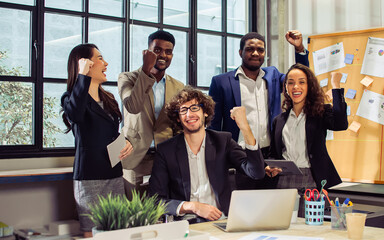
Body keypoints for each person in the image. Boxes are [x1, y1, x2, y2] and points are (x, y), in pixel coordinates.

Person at [209, 30, 309, 190]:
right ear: (241, 52)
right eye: (250, 49)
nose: (255, 53)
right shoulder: (221, 82)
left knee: (269, 208)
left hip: (270, 158)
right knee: (240, 208)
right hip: (238, 157)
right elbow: (213, 126)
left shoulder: (273, 75)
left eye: (260, 50)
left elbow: (300, 78)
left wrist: (299, 49)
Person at [148, 86, 265, 222]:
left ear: (205, 112)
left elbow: (257, 173)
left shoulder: (223, 141)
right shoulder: (166, 150)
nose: (189, 114)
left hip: (222, 220)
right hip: (187, 223)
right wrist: (193, 206)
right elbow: (155, 201)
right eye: (183, 110)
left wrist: (245, 128)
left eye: (195, 108)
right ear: (178, 118)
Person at [61, 43, 133, 237]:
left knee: (118, 230)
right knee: (92, 232)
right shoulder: (70, 98)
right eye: (100, 58)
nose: (106, 63)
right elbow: (76, 115)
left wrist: (127, 143)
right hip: (89, 177)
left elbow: (113, 133)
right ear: (86, 64)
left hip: (114, 173)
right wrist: (82, 76)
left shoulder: (109, 98)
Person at [269, 63, 348, 216]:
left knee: (311, 228)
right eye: (290, 82)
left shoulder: (320, 113)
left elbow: (340, 124)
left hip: (311, 178)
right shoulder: (279, 120)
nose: (295, 87)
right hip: (283, 179)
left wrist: (336, 86)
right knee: (283, 227)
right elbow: (274, 153)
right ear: (285, 87)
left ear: (309, 86)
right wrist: (271, 167)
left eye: (301, 82)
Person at [118, 30, 184, 194]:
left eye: (168, 52)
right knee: (135, 214)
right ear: (148, 52)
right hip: (135, 157)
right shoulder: (127, 78)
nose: (163, 55)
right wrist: (146, 71)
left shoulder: (179, 87)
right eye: (157, 50)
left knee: (163, 210)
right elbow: (133, 106)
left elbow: (178, 124)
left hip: (165, 157)